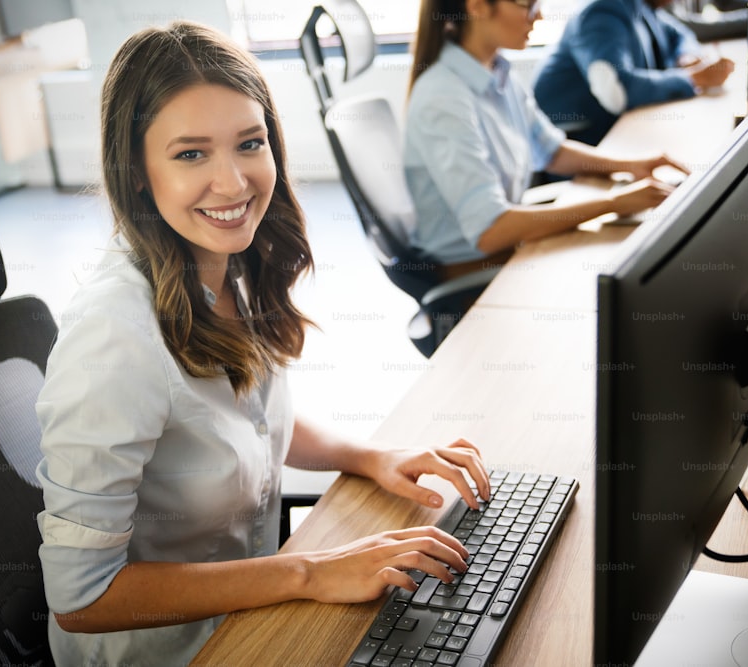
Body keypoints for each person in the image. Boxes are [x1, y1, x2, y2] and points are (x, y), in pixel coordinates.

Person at [34, 21, 491, 666]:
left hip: (250, 608)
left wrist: (371, 456)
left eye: (250, 144)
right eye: (191, 154)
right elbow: (82, 598)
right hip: (170, 652)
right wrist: (309, 571)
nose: (234, 182)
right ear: (137, 170)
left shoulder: (228, 264)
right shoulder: (113, 339)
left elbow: (245, 419)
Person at [405, 0, 688, 270]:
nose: (538, 16)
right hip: (472, 265)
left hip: (508, 245)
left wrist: (628, 166)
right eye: (526, 5)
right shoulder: (443, 98)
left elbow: (551, 150)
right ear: (477, 5)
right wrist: (612, 204)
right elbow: (490, 230)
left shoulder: (499, 74)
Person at [533, 0, 736, 146]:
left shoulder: (642, 7)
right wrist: (694, 78)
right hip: (581, 141)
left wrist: (686, 57)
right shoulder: (601, 12)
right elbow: (618, 91)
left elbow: (681, 35)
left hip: (623, 131)